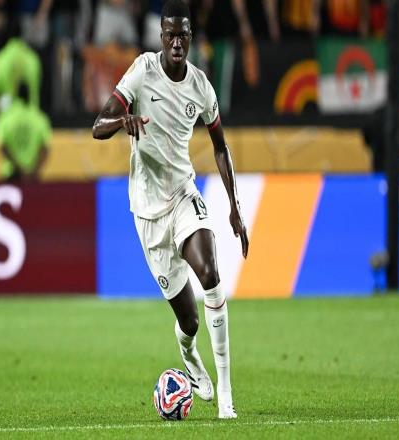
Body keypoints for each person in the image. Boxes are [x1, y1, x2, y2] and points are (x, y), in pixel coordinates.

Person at [92, 0, 248, 419]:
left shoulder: (201, 87)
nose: (176, 43)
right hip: (148, 212)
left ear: (191, 38)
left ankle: (226, 397)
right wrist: (121, 123)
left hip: (183, 195)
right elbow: (97, 126)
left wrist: (234, 207)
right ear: (160, 36)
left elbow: (220, 147)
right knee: (189, 321)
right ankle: (190, 354)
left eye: (183, 35)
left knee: (211, 275)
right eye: (170, 35)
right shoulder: (142, 71)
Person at [0, 82, 51, 182]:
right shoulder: (40, 118)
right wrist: (34, 170)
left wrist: (18, 169)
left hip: (11, 174)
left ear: (16, 96)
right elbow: (45, 149)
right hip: (33, 176)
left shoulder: (5, 118)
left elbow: (2, 147)